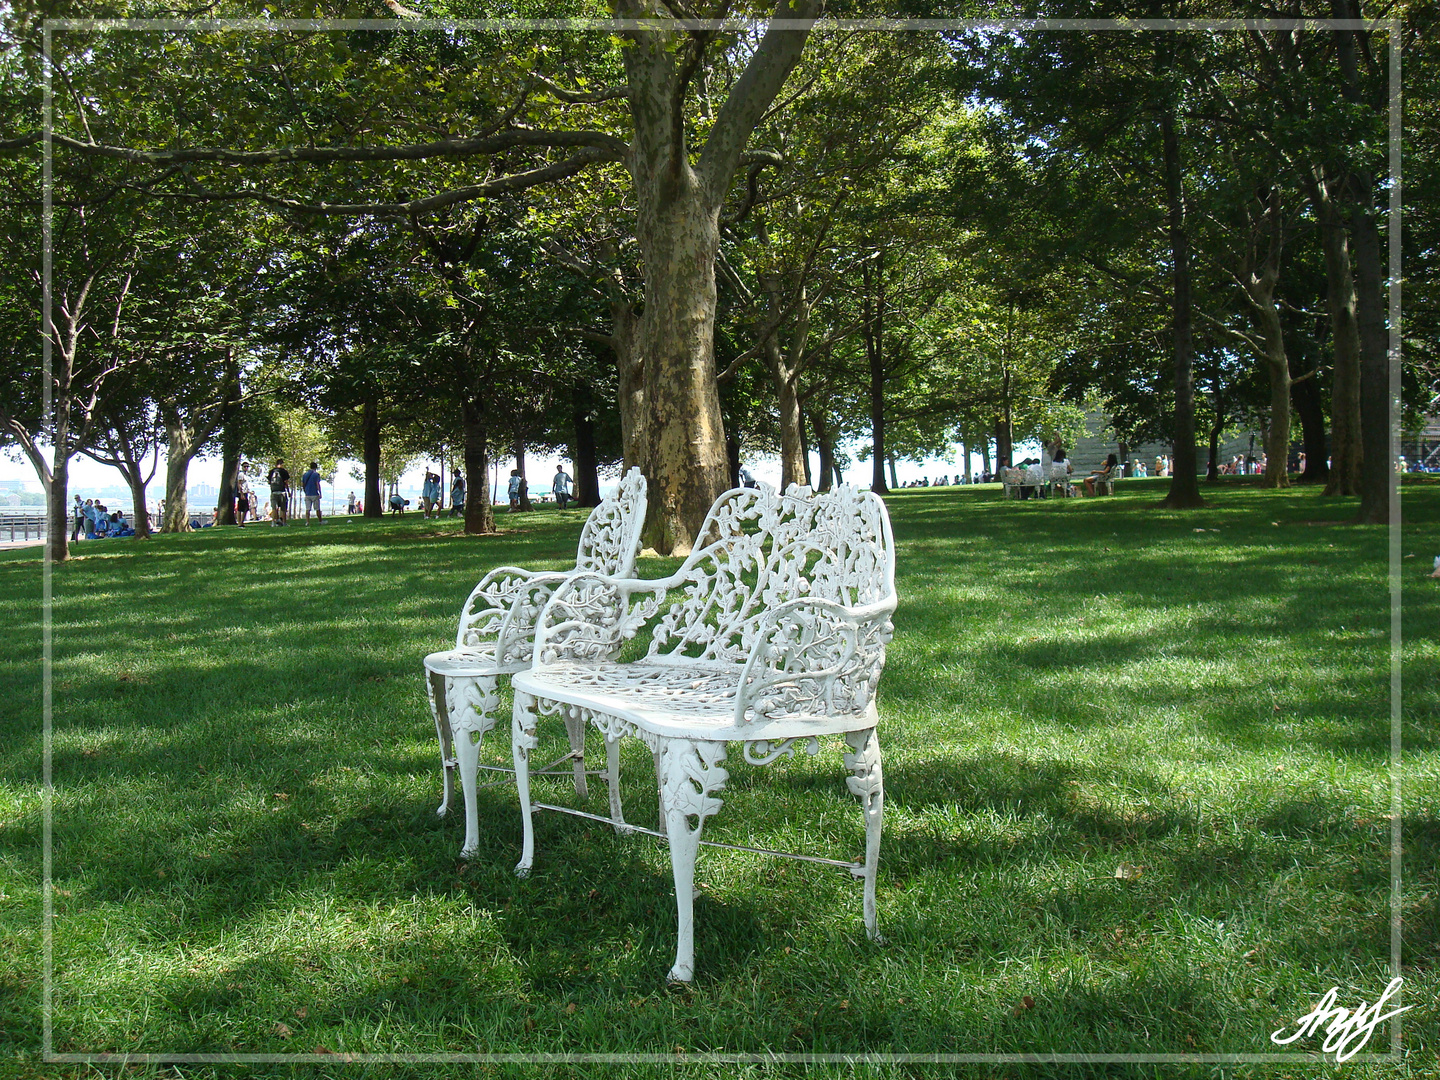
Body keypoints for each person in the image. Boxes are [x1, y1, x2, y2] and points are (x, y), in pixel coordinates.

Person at [266, 457, 290, 526]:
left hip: (273, 492)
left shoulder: (271, 472)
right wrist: (288, 492)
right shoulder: (283, 471)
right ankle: (284, 522)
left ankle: (274, 522)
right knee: (283, 509)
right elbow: (286, 482)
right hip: (282, 492)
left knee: (274, 508)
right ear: (281, 464)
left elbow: (269, 482)